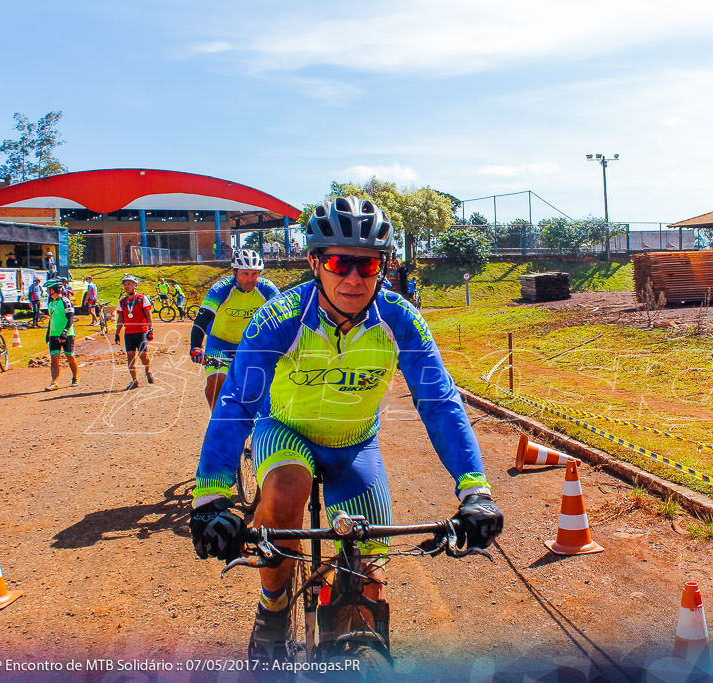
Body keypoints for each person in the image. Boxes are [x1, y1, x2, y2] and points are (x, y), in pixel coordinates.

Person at [189, 196, 503, 666]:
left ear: (383, 266)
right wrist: (212, 495)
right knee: (287, 490)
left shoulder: (401, 321)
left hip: (354, 443)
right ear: (315, 262)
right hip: (286, 431)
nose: (354, 277)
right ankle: (272, 611)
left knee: (369, 574)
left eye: (368, 264)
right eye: (339, 262)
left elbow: (439, 403)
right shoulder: (279, 317)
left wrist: (475, 490)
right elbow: (237, 402)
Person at [189, 249, 280, 409]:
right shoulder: (222, 289)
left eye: (254, 274)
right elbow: (202, 318)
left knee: (262, 388)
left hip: (250, 345)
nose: (250, 279)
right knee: (215, 382)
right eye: (245, 274)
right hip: (219, 344)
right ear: (234, 272)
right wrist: (196, 346)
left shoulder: (267, 288)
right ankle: (218, 424)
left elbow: (284, 318)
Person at [113, 274, 155, 390]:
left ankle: (148, 370)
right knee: (130, 356)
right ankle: (135, 380)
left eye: (129, 284)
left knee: (143, 355)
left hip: (141, 331)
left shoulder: (142, 299)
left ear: (135, 286)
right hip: (129, 333)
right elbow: (120, 319)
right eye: (125, 284)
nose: (127, 286)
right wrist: (117, 333)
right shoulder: (122, 302)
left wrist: (151, 329)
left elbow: (148, 316)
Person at [44, 278, 80, 391]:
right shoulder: (51, 303)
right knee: (54, 359)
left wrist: (64, 332)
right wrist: (48, 333)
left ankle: (75, 377)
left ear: (54, 290)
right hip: (54, 334)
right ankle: (54, 382)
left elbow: (70, 318)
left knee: (69, 355)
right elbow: (51, 319)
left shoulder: (65, 301)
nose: (47, 292)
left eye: (48, 289)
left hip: (67, 334)